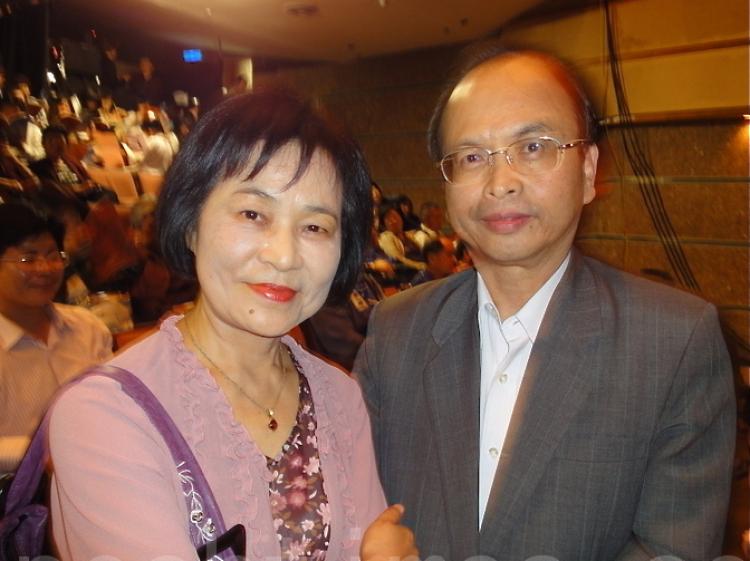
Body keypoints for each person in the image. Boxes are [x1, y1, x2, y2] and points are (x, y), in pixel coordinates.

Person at [354, 45, 735, 561]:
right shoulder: (396, 331)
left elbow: (672, 547)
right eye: (471, 157)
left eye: (533, 147)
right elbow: (353, 510)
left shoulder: (674, 341)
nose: (500, 182)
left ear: (587, 169)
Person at [46, 88, 417, 561]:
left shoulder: (340, 398)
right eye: (252, 214)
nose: (283, 255)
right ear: (190, 223)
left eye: (315, 227)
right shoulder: (104, 415)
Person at [0, 201, 112, 474]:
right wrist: (49, 452)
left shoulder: (88, 328)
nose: (45, 268)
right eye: (28, 259)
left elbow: (115, 405)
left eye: (53, 255)